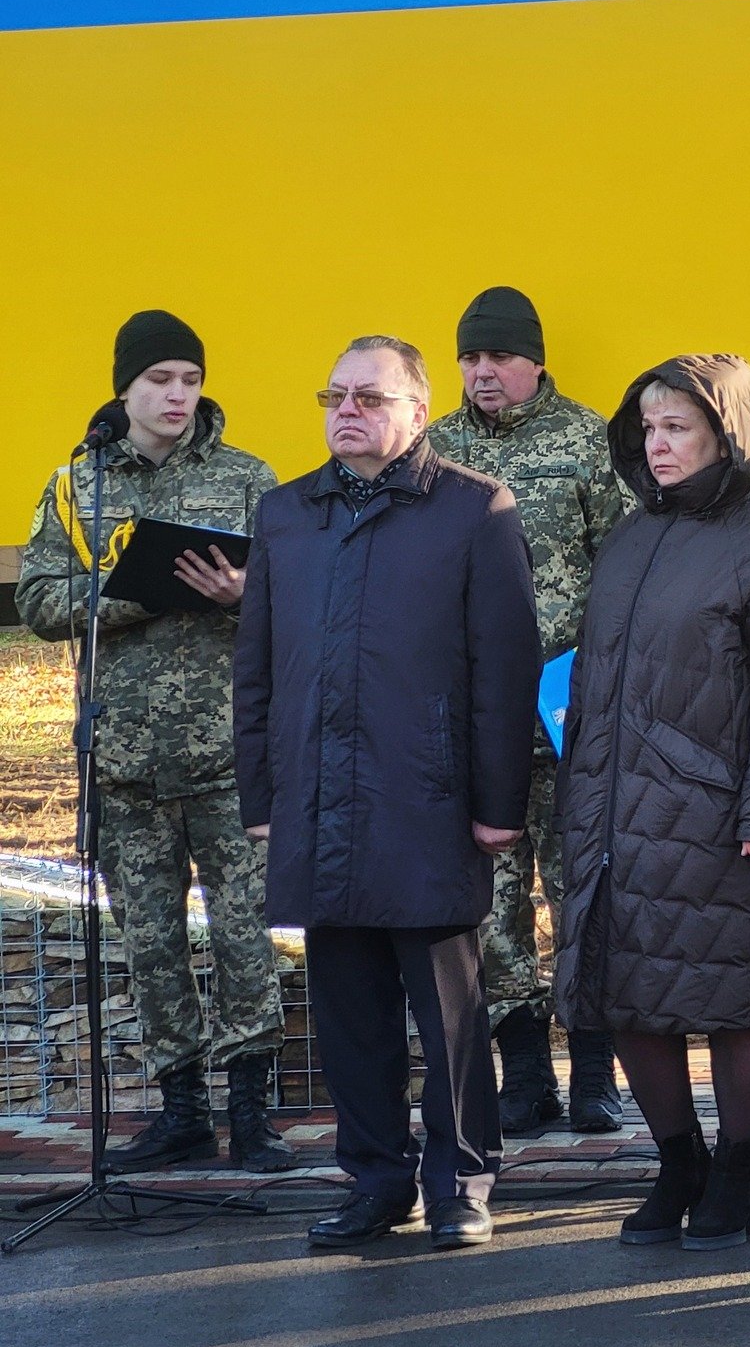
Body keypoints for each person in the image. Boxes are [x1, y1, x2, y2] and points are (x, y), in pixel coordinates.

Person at [235, 336, 540, 1249]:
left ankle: (461, 1185)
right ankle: (376, 1180)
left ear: (418, 409)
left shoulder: (475, 509)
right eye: (334, 396)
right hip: (318, 802)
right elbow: (257, 669)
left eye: (369, 397)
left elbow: (505, 669)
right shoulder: (287, 513)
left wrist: (499, 805)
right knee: (348, 1014)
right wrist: (263, 798)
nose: (347, 412)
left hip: (426, 799)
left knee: (449, 1017)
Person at [553, 355, 750, 1250]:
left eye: (677, 428)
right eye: (648, 428)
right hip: (616, 814)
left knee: (736, 993)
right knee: (628, 992)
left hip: (724, 816)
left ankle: (738, 1171)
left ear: (725, 435)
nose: (657, 445)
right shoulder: (631, 537)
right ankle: (680, 1164)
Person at [17, 310, 291, 1174]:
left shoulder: (249, 479)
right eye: (160, 380)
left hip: (231, 755)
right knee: (151, 940)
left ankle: (252, 1113)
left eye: (191, 380)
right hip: (125, 762)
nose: (178, 396)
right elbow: (39, 602)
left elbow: (297, 598)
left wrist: (243, 594)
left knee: (246, 932)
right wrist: (137, 591)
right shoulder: (79, 484)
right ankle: (180, 1112)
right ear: (125, 389)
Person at [427, 286, 626, 1136]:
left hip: (572, 718)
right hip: (480, 726)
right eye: (471, 358)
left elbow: (624, 566)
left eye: (500, 357)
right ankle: (526, 1075)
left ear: (536, 362)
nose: (483, 372)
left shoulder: (588, 439)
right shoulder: (433, 449)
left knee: (586, 894)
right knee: (495, 905)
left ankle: (595, 1075)